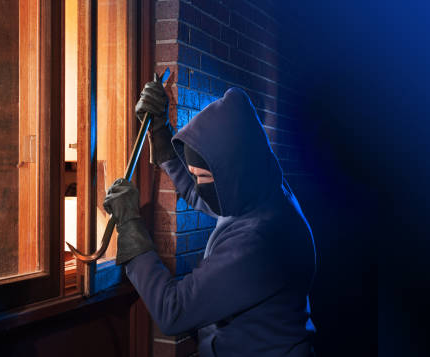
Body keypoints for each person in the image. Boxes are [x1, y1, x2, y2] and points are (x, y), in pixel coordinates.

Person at [103, 74, 317, 356]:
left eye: (204, 176)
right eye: (195, 175)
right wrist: (160, 133)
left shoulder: (259, 240)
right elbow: (204, 195)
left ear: (233, 174)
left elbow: (173, 311)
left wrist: (130, 224)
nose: (199, 184)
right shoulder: (262, 190)